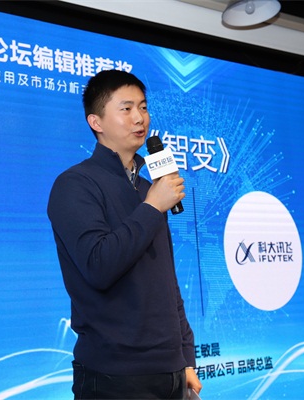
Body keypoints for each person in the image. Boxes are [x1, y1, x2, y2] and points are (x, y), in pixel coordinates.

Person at [47, 69, 202, 399]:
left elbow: (166, 280)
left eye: (143, 107)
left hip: (171, 371)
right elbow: (99, 266)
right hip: (113, 375)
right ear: (96, 122)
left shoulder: (149, 189)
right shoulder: (75, 184)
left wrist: (185, 356)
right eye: (126, 108)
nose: (139, 118)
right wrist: (152, 207)